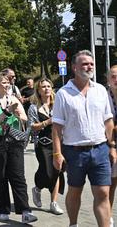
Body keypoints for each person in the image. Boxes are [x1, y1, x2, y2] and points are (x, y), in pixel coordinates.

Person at [52, 50, 117, 227]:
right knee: (75, 191)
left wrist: (112, 146)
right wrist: (57, 154)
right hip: (74, 152)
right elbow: (57, 127)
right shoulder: (63, 94)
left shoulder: (101, 90)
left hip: (100, 149)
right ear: (74, 67)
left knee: (103, 193)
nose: (89, 67)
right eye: (84, 64)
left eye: (91, 64)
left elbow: (108, 121)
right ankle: (73, 224)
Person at [0, 72, 37, 223]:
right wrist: (7, 112)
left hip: (14, 139)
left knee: (18, 175)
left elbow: (24, 118)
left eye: (8, 82)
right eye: (4, 83)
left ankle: (25, 210)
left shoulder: (13, 99)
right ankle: (2, 209)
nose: (7, 85)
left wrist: (19, 114)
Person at [27, 78, 64, 215]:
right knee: (47, 171)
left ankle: (54, 203)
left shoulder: (58, 104)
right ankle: (37, 188)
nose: (46, 89)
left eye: (49, 86)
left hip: (59, 143)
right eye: (43, 87)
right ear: (38, 90)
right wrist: (47, 122)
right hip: (42, 144)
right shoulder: (34, 107)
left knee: (57, 171)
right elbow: (31, 127)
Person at [107, 65, 117, 227]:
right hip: (108, 145)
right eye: (113, 76)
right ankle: (107, 217)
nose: (116, 79)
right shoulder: (103, 96)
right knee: (110, 183)